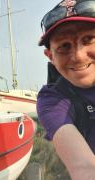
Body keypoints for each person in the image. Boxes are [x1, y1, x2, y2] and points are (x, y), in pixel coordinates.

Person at [37, 0, 95, 179]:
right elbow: (83, 167)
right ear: (50, 56)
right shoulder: (52, 99)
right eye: (64, 46)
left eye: (88, 39)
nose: (77, 56)